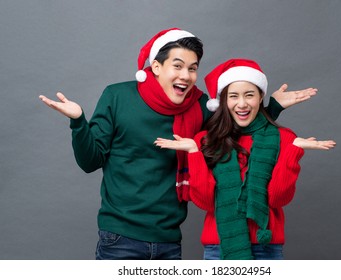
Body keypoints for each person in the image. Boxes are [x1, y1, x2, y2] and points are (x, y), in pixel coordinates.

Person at [39, 28, 319, 260]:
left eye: (193, 68)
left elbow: (235, 128)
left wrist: (272, 108)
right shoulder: (117, 96)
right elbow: (90, 162)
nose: (186, 75)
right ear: (156, 66)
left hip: (170, 239)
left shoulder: (199, 105)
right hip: (119, 237)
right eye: (178, 66)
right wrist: (78, 121)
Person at [154, 58, 336, 260]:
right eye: (233, 96)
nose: (242, 104)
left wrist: (294, 153)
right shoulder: (206, 141)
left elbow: (277, 198)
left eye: (249, 95)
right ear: (224, 101)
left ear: (260, 98)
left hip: (266, 248)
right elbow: (205, 202)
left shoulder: (284, 138)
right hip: (219, 248)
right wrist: (194, 153)